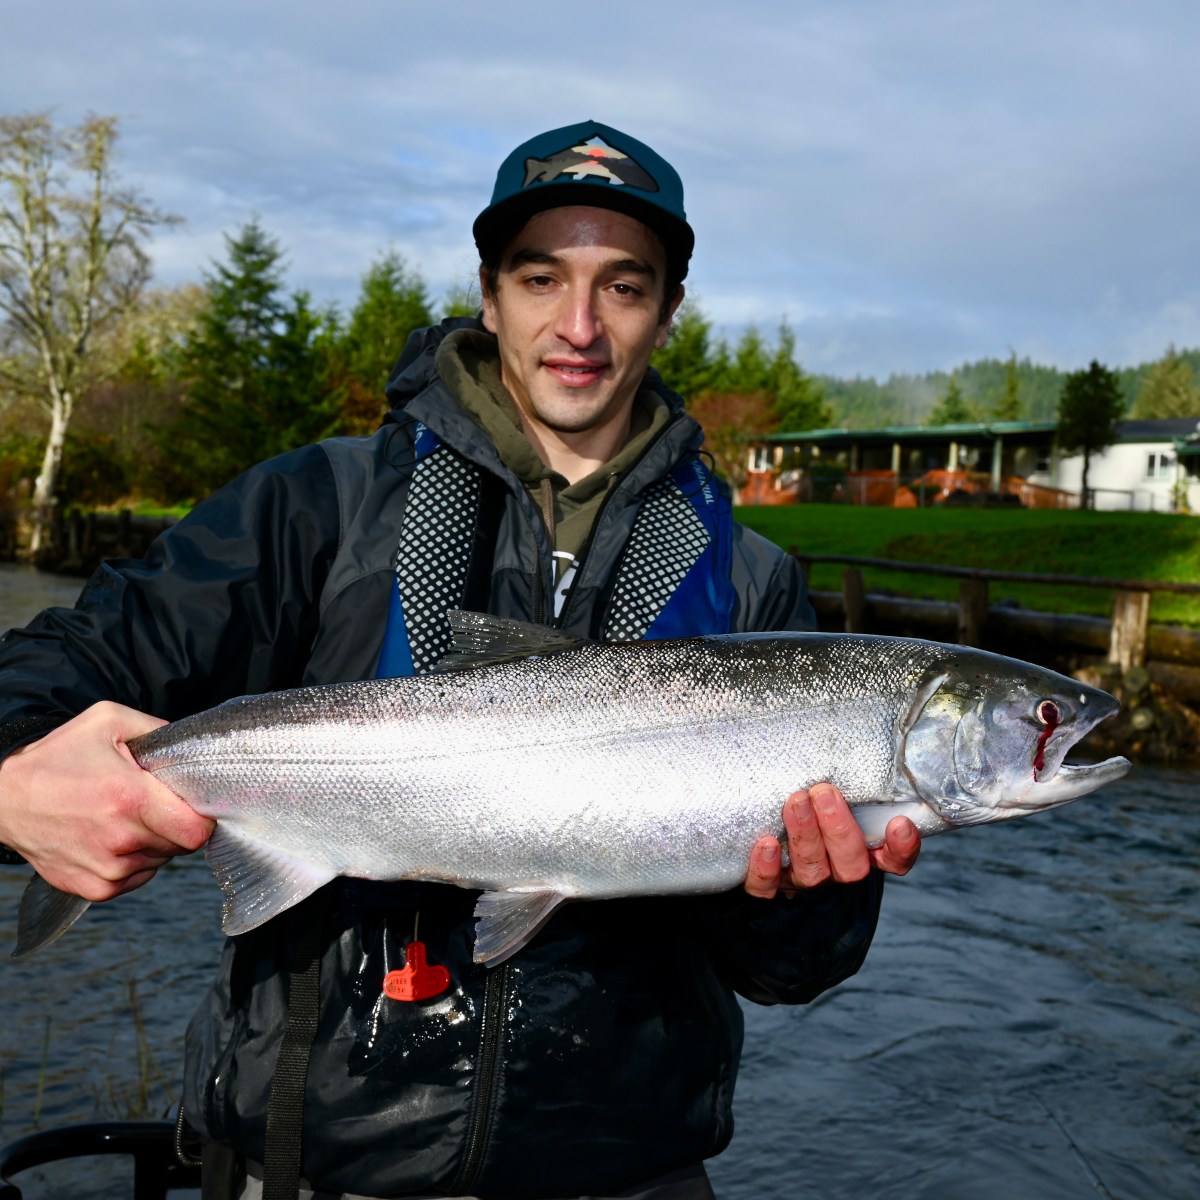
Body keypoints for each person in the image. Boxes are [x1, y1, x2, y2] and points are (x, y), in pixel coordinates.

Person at [0, 120, 920, 1199]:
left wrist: (794, 894)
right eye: (542, 278)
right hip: (309, 1171)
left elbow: (795, 968)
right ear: (491, 295)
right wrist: (11, 783)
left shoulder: (754, 582)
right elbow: (58, 669)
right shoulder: (316, 507)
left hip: (625, 1176)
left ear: (668, 311)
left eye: (624, 287)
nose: (578, 326)